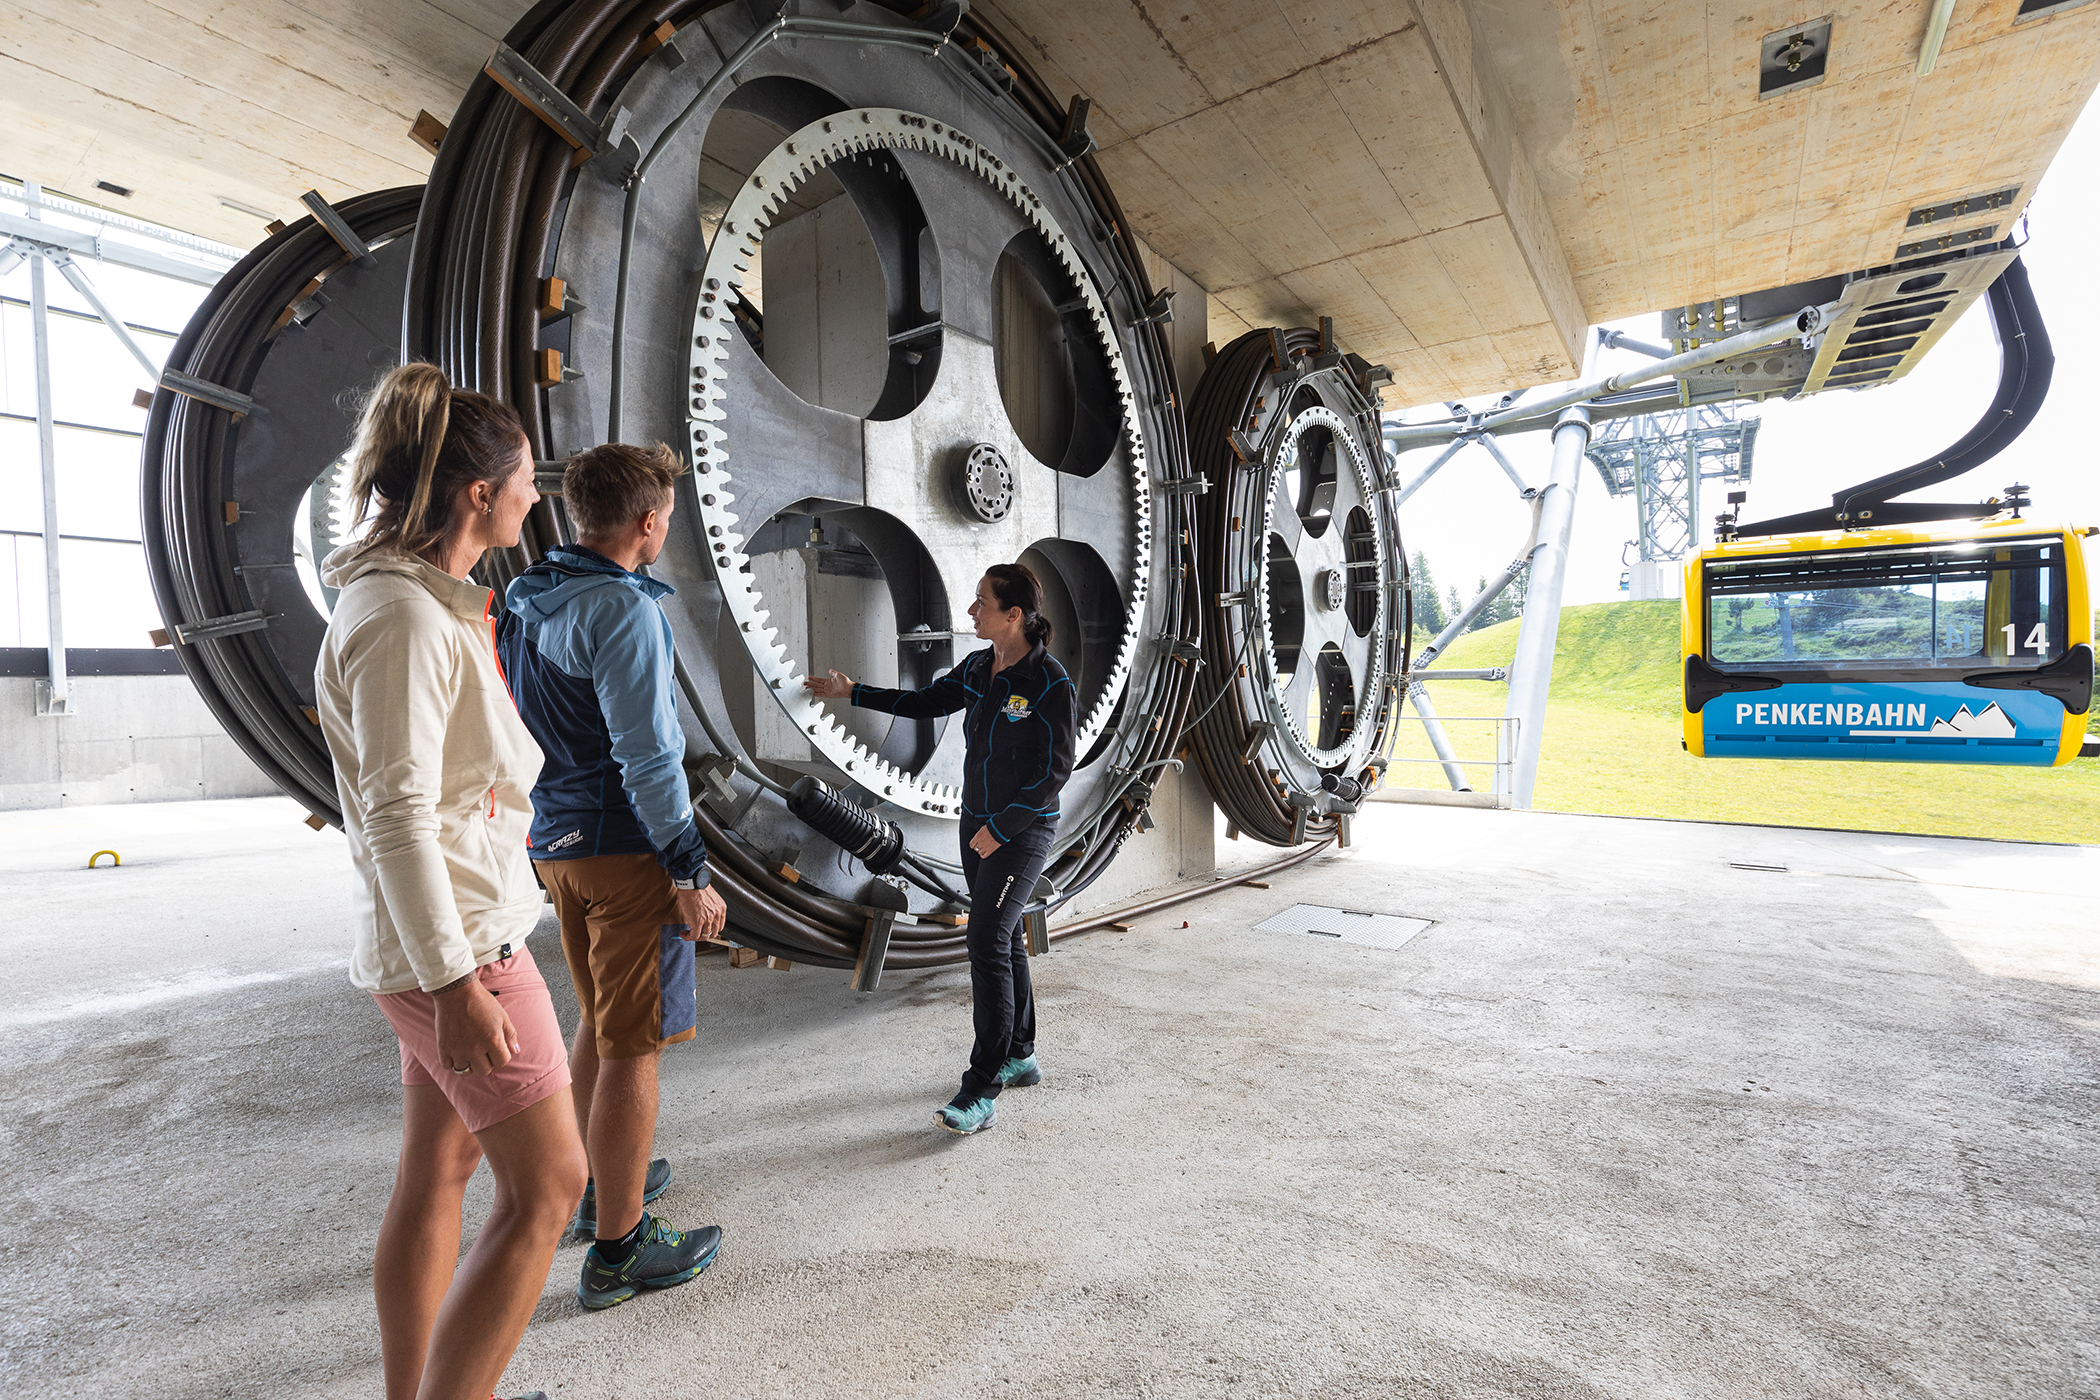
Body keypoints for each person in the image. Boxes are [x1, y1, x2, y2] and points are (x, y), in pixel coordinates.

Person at [314, 363, 586, 1400]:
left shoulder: (420, 602)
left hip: (446, 938)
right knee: (549, 1187)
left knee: (441, 1168)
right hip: (464, 949)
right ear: (480, 494)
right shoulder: (404, 621)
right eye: (524, 480)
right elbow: (397, 816)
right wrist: (455, 983)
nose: (533, 497)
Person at [498, 440, 730, 1311]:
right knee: (636, 1045)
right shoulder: (623, 610)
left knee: (600, 1017)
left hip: (555, 844)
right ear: (647, 522)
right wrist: (688, 868)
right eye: (666, 515)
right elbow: (648, 756)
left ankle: (597, 1182)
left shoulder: (526, 596)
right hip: (627, 850)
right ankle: (620, 1250)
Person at [803, 562, 1076, 1134]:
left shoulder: (1049, 682)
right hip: (976, 824)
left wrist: (1002, 828)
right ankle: (1020, 1053)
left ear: (1014, 615)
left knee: (985, 941)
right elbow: (926, 702)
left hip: (1021, 831)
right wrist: (853, 692)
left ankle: (981, 1090)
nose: (972, 611)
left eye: (982, 602)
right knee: (1003, 936)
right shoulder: (979, 667)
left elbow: (1055, 770)